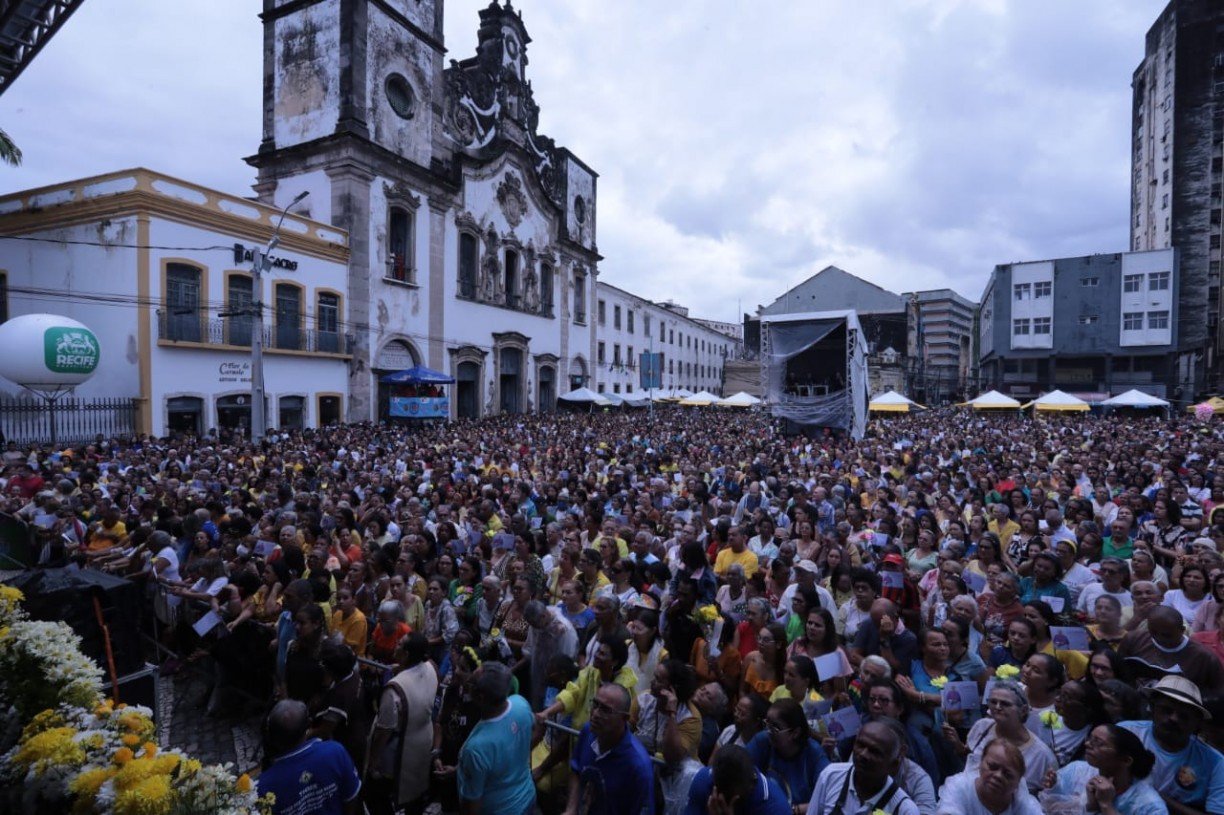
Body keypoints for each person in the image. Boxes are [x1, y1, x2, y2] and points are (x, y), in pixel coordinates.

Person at [1119, 675, 1224, 815]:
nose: (1174, 719)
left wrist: (1154, 797)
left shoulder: (1216, 763)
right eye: (1166, 710)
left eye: (1184, 716)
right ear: (1152, 707)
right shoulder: (1126, 733)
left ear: (1197, 722)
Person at [365, 632, 437, 815]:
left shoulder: (394, 689)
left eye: (400, 644)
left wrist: (372, 761)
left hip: (396, 749)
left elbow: (384, 731)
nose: (396, 644)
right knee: (414, 793)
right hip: (423, 742)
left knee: (382, 794)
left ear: (406, 655)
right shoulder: (431, 667)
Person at [456, 662, 536, 815]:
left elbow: (472, 806)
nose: (467, 683)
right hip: (527, 797)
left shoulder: (476, 748)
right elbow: (534, 727)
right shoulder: (521, 704)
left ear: (480, 697)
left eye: (471, 682)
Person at [257, 699, 362, 815]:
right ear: (308, 726)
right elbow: (351, 796)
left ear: (270, 736)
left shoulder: (264, 786)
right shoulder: (336, 752)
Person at [565, 682, 656, 815]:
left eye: (605, 710)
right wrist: (571, 809)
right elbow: (576, 770)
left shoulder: (638, 766)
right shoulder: (588, 731)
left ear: (624, 718)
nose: (595, 714)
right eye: (595, 704)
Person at [1044, 724, 1168, 815]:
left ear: (1126, 761)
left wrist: (1106, 806)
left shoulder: (1150, 806)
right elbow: (1046, 808)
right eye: (1090, 739)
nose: (1087, 744)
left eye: (1098, 743)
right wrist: (1054, 787)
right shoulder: (1076, 770)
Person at [806, 721, 921, 815]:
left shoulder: (904, 809)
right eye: (860, 745)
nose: (863, 754)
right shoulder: (831, 775)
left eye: (875, 752)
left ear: (893, 764)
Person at [745, 698, 830, 812]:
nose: (768, 731)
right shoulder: (763, 741)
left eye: (775, 727)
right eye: (767, 723)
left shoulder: (814, 754)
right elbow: (739, 768)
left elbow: (827, 800)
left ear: (795, 733)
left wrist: (794, 810)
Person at [1118, 605, 1224, 688]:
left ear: (1182, 630)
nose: (1159, 638)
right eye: (1153, 632)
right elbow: (1118, 673)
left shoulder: (1204, 657)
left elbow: (1217, 693)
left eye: (1167, 635)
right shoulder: (1134, 639)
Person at [935, 739, 1042, 815]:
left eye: (1007, 775)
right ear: (980, 763)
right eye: (992, 767)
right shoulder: (958, 787)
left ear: (1018, 783)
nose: (998, 776)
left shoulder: (1025, 804)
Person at [685, 744, 791, 815]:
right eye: (722, 792)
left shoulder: (776, 808)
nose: (722, 799)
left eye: (735, 798)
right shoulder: (704, 780)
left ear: (751, 784)